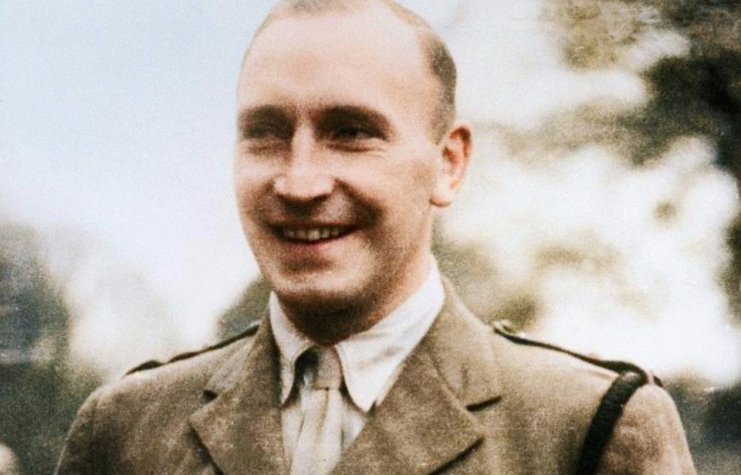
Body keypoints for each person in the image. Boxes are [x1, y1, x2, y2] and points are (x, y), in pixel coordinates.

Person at [56, 0, 697, 474]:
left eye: (352, 131)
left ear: (449, 164)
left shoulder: (585, 429)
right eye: (266, 132)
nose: (299, 181)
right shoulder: (126, 432)